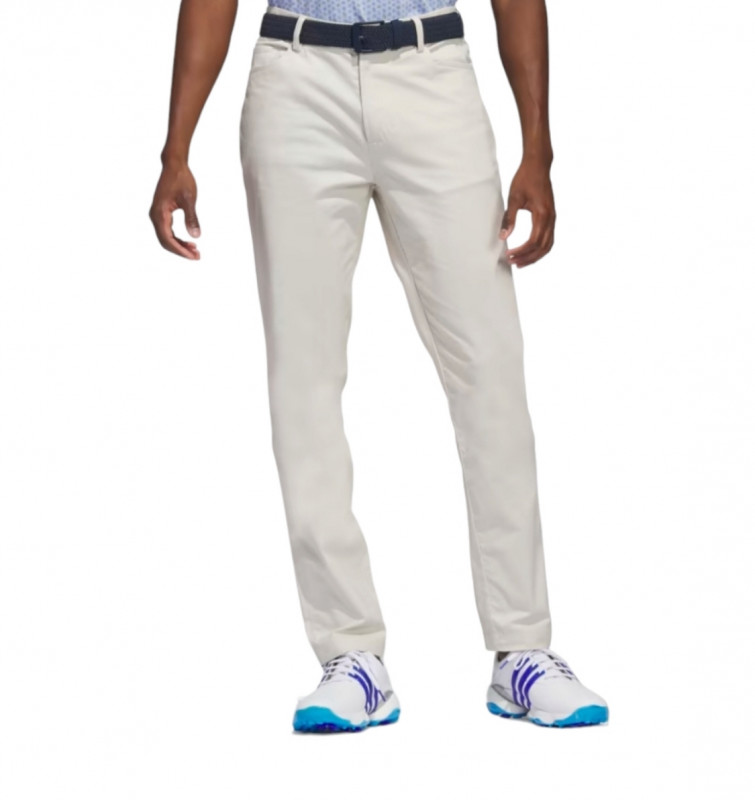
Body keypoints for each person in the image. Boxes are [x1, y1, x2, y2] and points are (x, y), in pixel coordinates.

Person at [150, 0, 609, 732]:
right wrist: (175, 148)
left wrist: (538, 147)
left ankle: (522, 649)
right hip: (295, 82)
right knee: (302, 379)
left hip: (433, 77)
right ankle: (350, 655)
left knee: (489, 369)